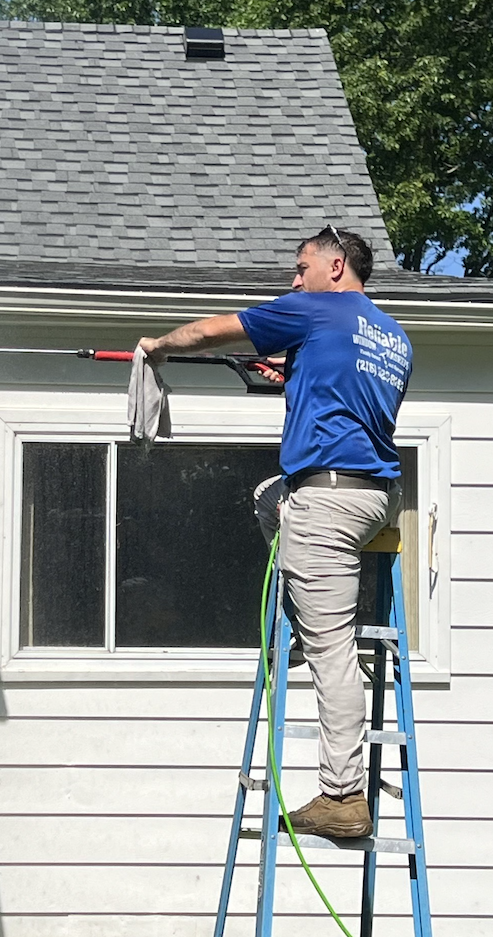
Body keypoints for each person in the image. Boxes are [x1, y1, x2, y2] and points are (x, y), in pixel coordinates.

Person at [137, 225, 411, 838]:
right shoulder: (392, 337)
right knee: (268, 497)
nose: (293, 280)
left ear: (336, 266)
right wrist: (288, 374)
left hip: (330, 499)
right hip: (377, 497)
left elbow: (210, 332)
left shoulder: (316, 308)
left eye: (301, 267)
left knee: (332, 655)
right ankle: (314, 607)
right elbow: (337, 392)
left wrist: (159, 347)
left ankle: (342, 796)